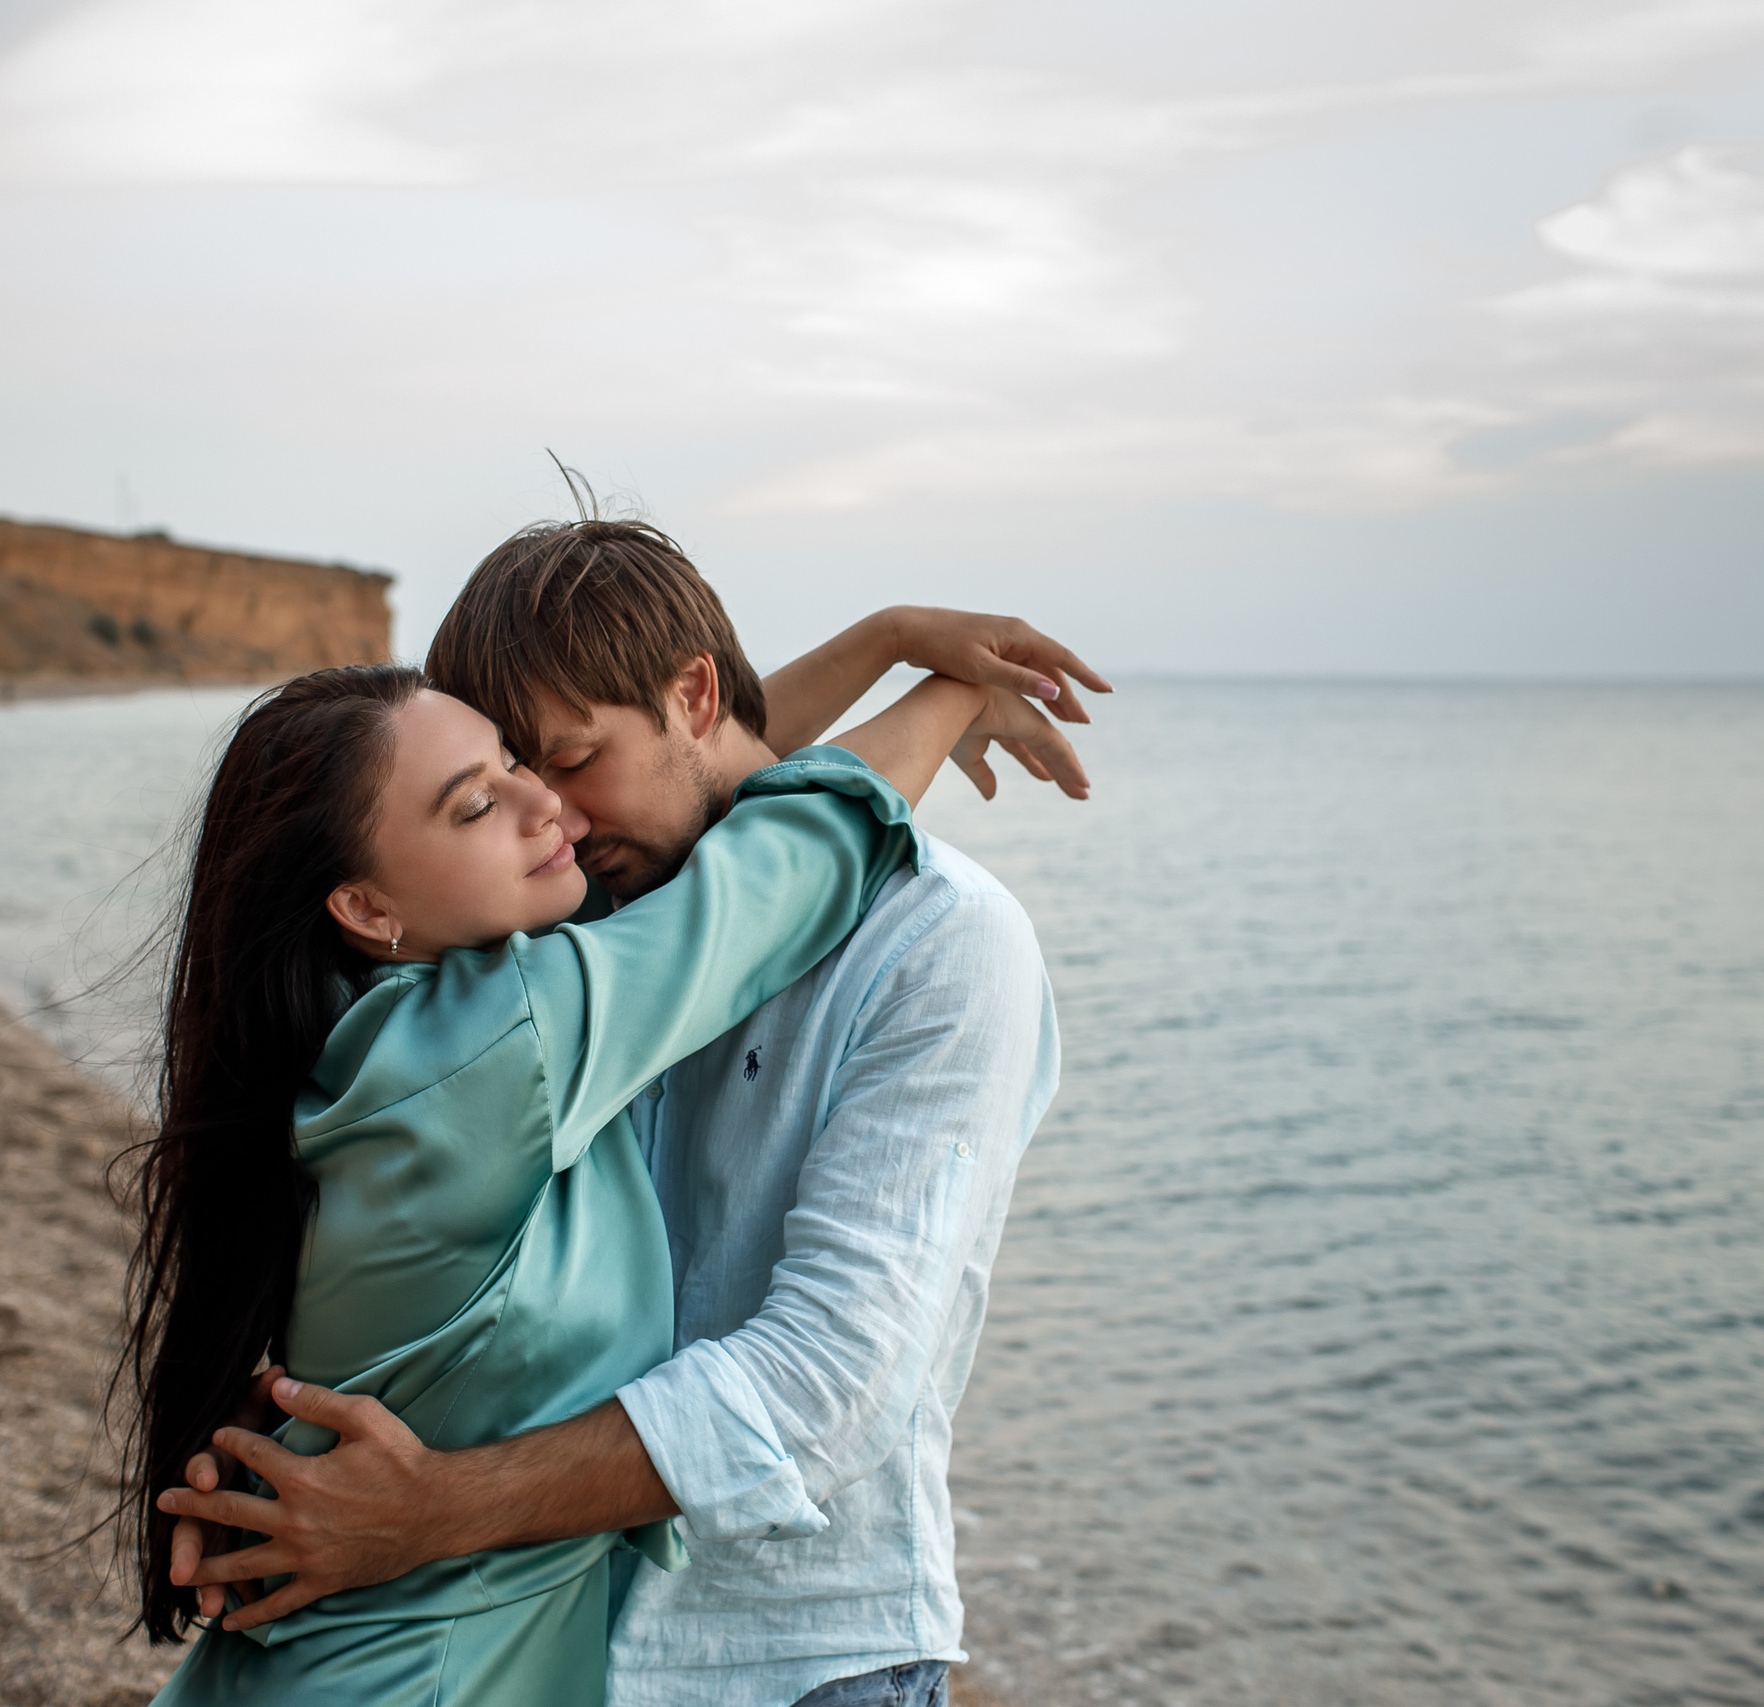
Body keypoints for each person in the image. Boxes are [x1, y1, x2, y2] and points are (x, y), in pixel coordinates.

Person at [161, 521, 1105, 1707]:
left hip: (782, 1660)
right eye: (505, 781)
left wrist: (433, 1510)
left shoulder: (939, 939)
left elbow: (827, 1388)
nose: (547, 813)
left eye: (561, 760)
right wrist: (929, 678)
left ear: (695, 692)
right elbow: (752, 812)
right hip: (535, 1644)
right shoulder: (564, 935)